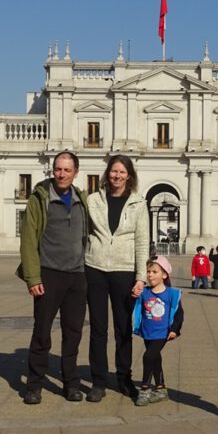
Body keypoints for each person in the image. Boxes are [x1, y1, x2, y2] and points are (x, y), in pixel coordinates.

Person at [18, 151, 90, 404]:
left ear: (75, 173)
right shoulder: (40, 198)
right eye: (58, 169)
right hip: (48, 275)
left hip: (77, 276)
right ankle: (34, 385)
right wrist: (33, 277)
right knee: (42, 332)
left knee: (73, 333)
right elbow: (28, 239)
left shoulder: (82, 199)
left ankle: (71, 384)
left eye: (67, 170)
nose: (61, 174)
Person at [84, 154, 149, 402]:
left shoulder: (138, 204)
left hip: (124, 271)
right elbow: (85, 234)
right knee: (98, 329)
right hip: (95, 268)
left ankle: (124, 378)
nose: (117, 176)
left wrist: (140, 277)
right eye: (114, 171)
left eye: (122, 172)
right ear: (107, 174)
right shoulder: (93, 201)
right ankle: (98, 381)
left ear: (129, 176)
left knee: (123, 329)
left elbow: (143, 241)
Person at [131, 256, 183, 406]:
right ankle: (161, 388)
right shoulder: (145, 292)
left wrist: (175, 329)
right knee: (155, 358)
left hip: (163, 333)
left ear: (164, 274)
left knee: (148, 357)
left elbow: (179, 314)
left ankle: (145, 389)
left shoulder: (171, 294)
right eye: (148, 272)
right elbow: (136, 306)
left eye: (154, 271)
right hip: (147, 331)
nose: (150, 275)